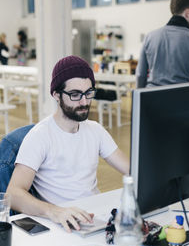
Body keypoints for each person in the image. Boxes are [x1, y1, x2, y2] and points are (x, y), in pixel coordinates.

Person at [6, 55, 129, 232]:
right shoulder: (40, 136)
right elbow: (14, 194)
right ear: (56, 94)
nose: (84, 102)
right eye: (75, 95)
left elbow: (133, 170)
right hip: (63, 225)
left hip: (96, 219)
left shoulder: (96, 130)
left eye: (88, 93)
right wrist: (54, 211)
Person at [136, 0, 189, 88]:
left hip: (151, 98)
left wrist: (141, 98)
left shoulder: (149, 37)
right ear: (187, 13)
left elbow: (140, 75)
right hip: (180, 99)